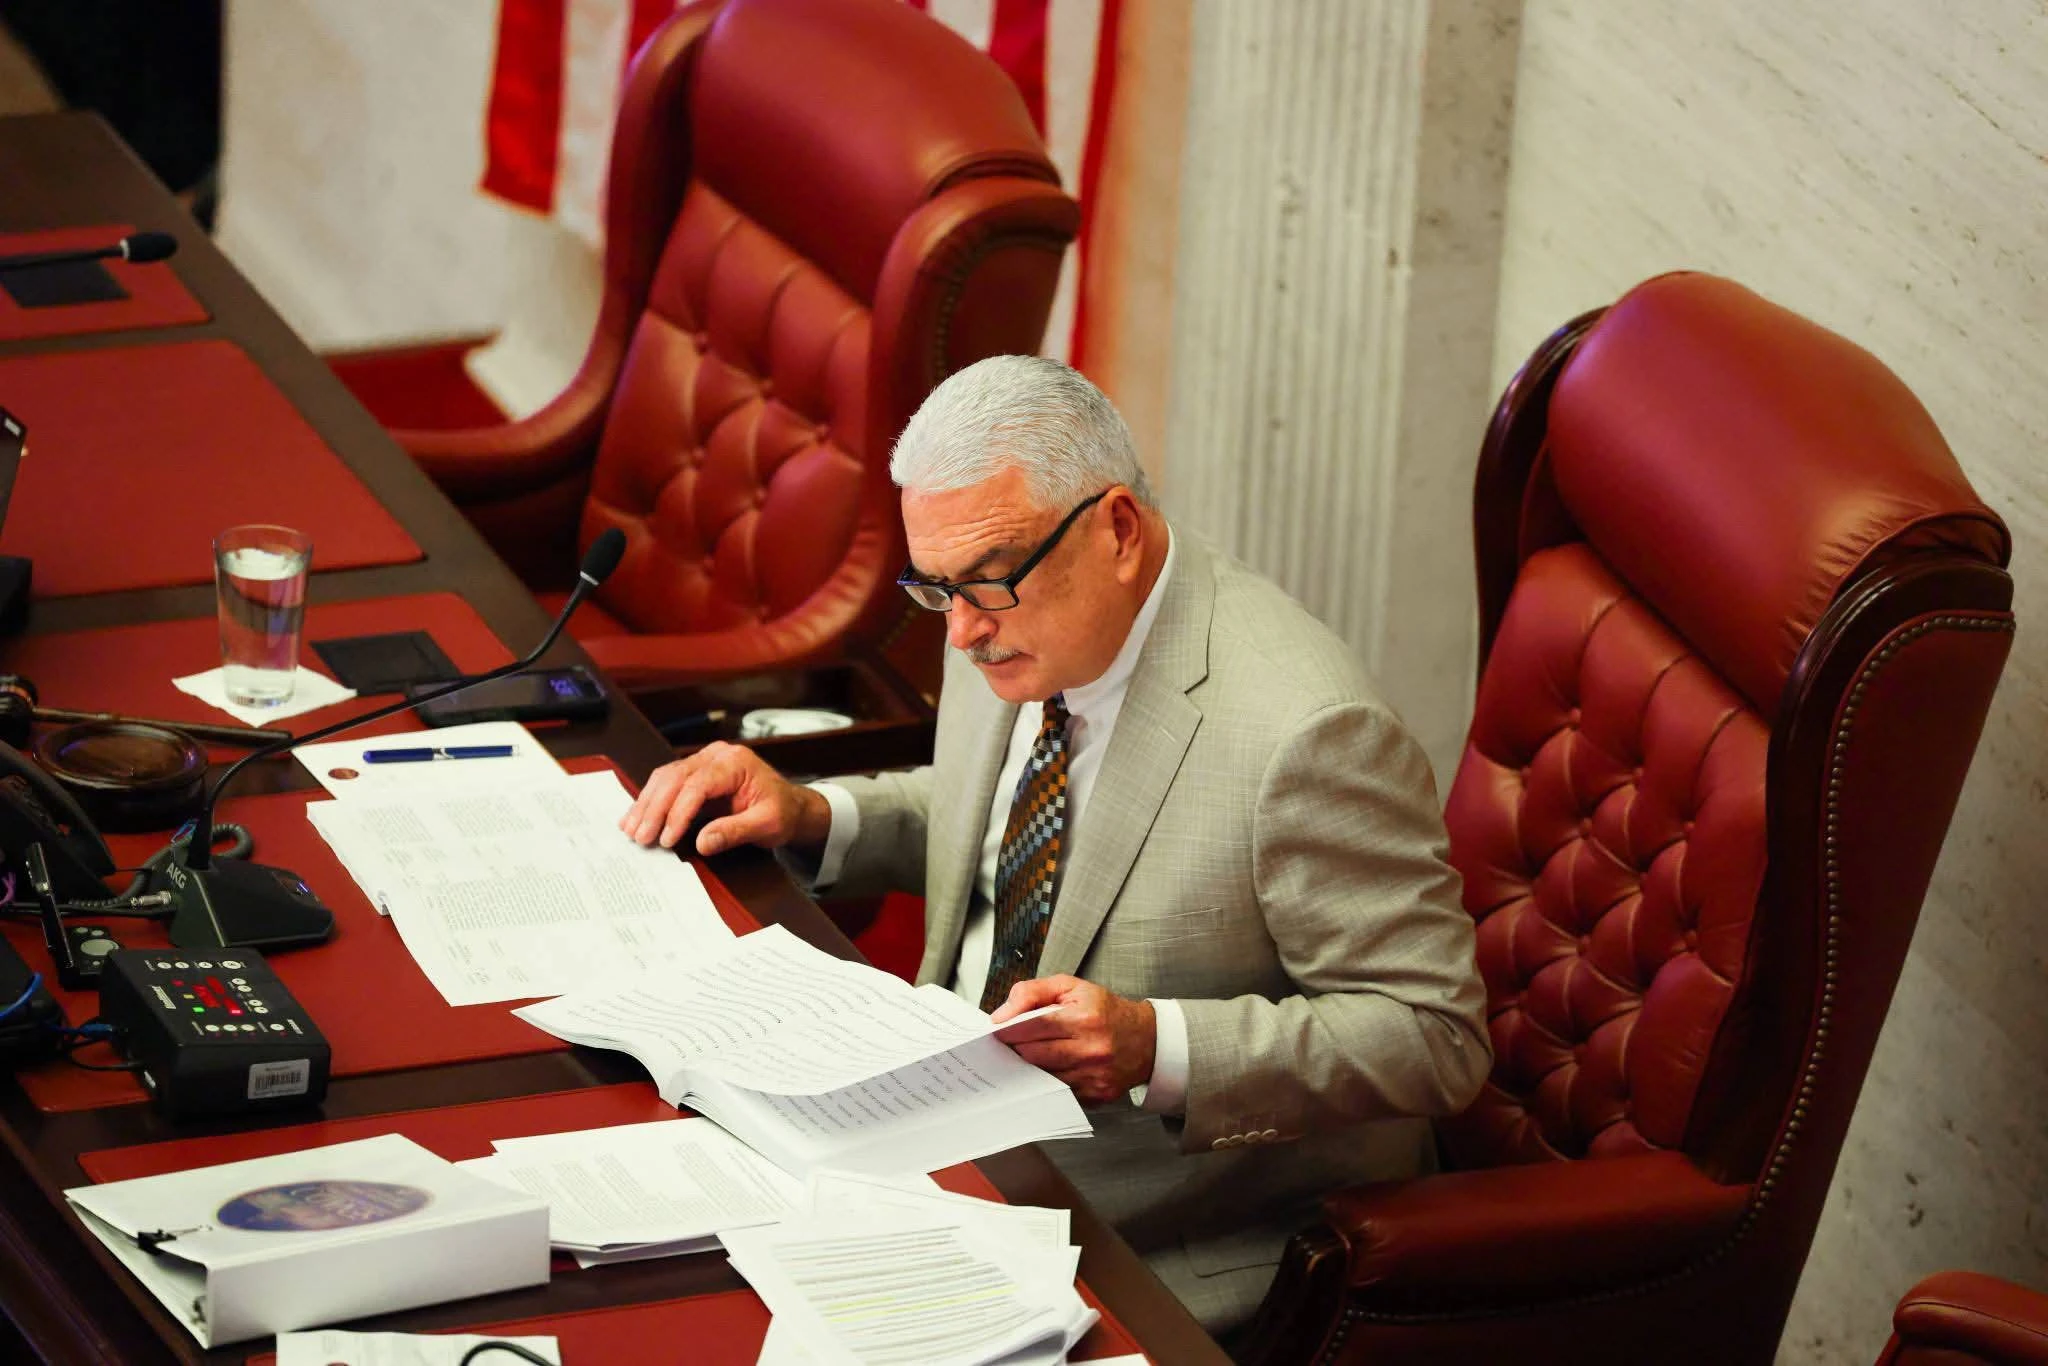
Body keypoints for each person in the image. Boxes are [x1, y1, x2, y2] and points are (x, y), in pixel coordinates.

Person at [622, 355, 1490, 1334]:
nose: (959, 632)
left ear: (1116, 529)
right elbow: (997, 817)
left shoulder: (1304, 732)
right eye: (932, 587)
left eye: (985, 586)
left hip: (1134, 1224)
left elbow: (1434, 1036)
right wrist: (815, 814)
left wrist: (1150, 1044)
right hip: (918, 1128)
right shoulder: (1010, 605)